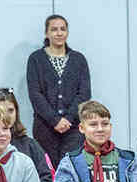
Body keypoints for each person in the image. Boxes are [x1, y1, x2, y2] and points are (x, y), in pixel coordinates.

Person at [27, 14, 91, 169]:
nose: (59, 33)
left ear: (67, 32)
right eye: (54, 29)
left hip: (74, 126)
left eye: (63, 29)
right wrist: (55, 120)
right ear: (47, 33)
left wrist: (68, 118)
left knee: (71, 168)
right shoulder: (36, 59)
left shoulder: (78, 59)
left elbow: (84, 93)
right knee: (49, 170)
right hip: (45, 127)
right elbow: (35, 94)